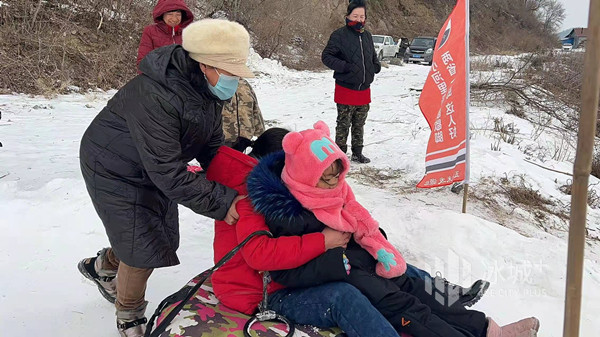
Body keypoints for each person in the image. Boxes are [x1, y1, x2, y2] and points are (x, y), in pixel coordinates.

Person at [242, 121, 540, 337]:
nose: (335, 185)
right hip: (341, 276)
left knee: (416, 285)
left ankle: (487, 329)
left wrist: (376, 242)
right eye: (326, 179)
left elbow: (360, 224)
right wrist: (333, 254)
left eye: (337, 177)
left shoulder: (335, 194)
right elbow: (280, 267)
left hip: (363, 267)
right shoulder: (285, 212)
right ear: (300, 174)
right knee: (407, 307)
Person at [77, 19, 254, 337]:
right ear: (204, 63)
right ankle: (129, 316)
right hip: (113, 165)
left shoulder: (207, 91)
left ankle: (103, 265)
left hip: (153, 165)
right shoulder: (156, 93)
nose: (235, 79)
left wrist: (249, 178)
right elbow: (168, 172)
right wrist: (222, 201)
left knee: (159, 237)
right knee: (142, 247)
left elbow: (212, 150)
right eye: (230, 70)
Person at [205, 128, 401, 337]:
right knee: (343, 297)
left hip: (292, 276)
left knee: (368, 267)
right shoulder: (250, 197)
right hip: (259, 293)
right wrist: (323, 241)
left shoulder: (279, 190)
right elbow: (258, 254)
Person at [322, 0, 380, 164]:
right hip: (345, 87)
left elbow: (372, 55)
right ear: (348, 16)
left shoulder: (367, 35)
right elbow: (327, 57)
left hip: (364, 88)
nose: (359, 19)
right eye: (355, 16)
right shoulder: (339, 35)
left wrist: (375, 65)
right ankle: (339, 155)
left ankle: (357, 152)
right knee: (343, 123)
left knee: (359, 123)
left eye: (362, 16)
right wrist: (345, 67)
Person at [136, 0, 194, 67]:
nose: (174, 19)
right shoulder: (150, 31)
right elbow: (143, 62)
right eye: (170, 14)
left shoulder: (188, 32)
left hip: (183, 76)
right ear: (162, 14)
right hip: (157, 75)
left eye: (178, 14)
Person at [221, 78, 266, 151]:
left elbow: (255, 108)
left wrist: (261, 133)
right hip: (223, 139)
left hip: (244, 139)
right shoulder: (216, 84)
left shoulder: (244, 84)